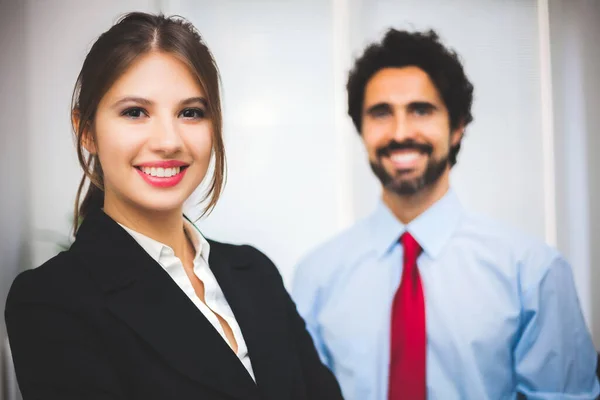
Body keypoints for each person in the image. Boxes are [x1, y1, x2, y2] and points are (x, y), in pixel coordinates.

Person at [5, 12, 343, 400]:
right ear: (87, 131)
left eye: (190, 112)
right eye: (135, 112)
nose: (168, 141)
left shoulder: (256, 273)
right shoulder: (52, 300)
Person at [292, 28, 599, 400]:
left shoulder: (533, 272)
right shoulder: (316, 278)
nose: (401, 131)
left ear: (456, 128)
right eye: (381, 113)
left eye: (421, 110)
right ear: (361, 130)